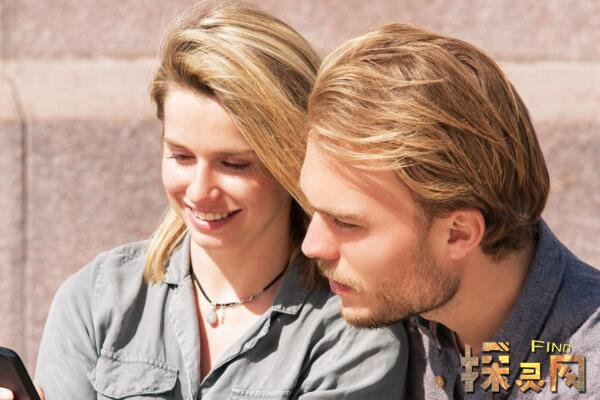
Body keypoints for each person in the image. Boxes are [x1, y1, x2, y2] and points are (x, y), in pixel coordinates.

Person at [0, 3, 408, 399]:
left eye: (234, 164)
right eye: (180, 156)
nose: (199, 191)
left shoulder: (353, 331)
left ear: (292, 159)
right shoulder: (96, 298)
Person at [299, 22, 600, 399]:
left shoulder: (584, 373)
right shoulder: (402, 308)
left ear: (459, 233)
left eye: (345, 223)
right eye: (314, 210)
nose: (311, 246)